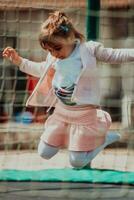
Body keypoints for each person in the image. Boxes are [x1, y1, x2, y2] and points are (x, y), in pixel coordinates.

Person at [3, 11, 134, 169]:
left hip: (84, 116)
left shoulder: (88, 50)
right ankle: (68, 139)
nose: (54, 54)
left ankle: (102, 138)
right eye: (50, 51)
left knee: (76, 162)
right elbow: (40, 69)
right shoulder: (54, 58)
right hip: (62, 114)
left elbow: (114, 54)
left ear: (70, 38)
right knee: (44, 152)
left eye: (57, 49)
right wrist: (19, 61)